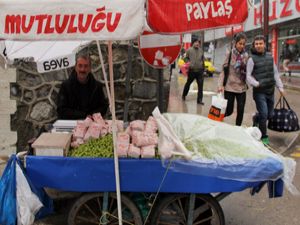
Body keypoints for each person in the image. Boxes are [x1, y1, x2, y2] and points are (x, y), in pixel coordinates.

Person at [246, 35, 284, 145]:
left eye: (260, 43)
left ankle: (256, 119)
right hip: (259, 92)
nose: (258, 46)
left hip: (270, 90)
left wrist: (280, 87)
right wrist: (256, 83)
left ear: (264, 44)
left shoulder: (269, 57)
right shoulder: (251, 59)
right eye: (256, 44)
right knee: (264, 113)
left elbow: (275, 73)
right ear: (254, 45)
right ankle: (264, 136)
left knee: (270, 115)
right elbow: (248, 76)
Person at [57, 54, 108, 119]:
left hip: (92, 124)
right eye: (80, 66)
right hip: (71, 124)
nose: (82, 69)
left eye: (86, 66)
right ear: (75, 67)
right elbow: (61, 110)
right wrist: (84, 115)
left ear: (90, 69)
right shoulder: (65, 86)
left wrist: (91, 116)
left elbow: (103, 107)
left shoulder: (97, 86)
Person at [218, 33, 248, 126]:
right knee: (229, 110)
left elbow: (249, 71)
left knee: (241, 110)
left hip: (242, 87)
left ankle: (238, 128)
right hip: (229, 87)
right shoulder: (230, 54)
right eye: (240, 43)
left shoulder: (246, 56)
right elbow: (224, 70)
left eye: (243, 44)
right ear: (235, 43)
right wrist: (220, 85)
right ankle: (218, 119)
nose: (241, 46)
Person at [182, 38, 205, 105]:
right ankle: (184, 95)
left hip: (200, 71)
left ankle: (199, 100)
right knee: (188, 83)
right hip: (192, 71)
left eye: (198, 42)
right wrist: (188, 62)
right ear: (193, 43)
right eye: (196, 42)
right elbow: (185, 58)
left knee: (200, 86)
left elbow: (203, 60)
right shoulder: (189, 50)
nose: (197, 43)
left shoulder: (201, 51)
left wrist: (203, 69)